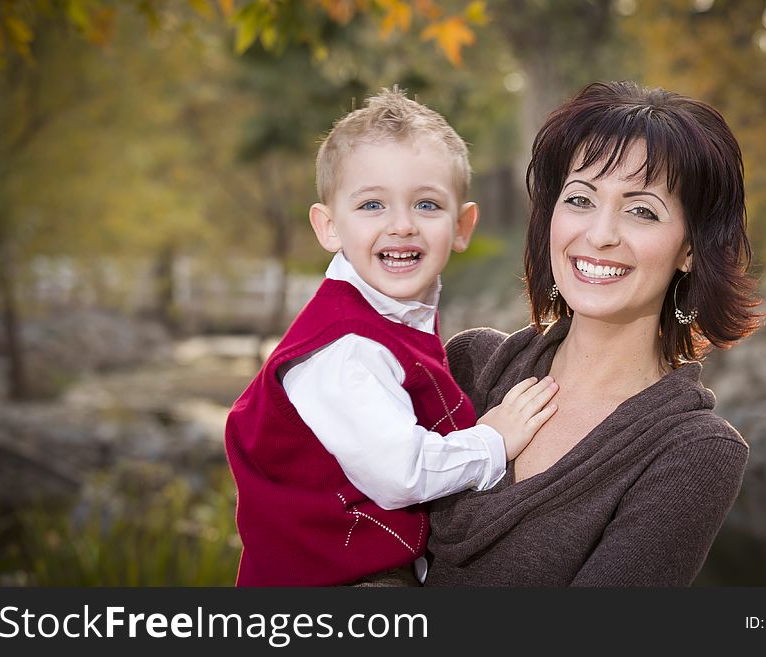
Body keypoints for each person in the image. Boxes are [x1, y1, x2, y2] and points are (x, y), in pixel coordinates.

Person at [426, 80, 764, 586]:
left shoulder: (693, 451)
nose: (601, 234)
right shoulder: (471, 365)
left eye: (641, 210)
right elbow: (353, 534)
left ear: (691, 251)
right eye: (581, 199)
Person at [225, 88, 558, 587]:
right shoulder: (347, 351)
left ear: (462, 225)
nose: (401, 225)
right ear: (329, 226)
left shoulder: (396, 318)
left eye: (426, 204)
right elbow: (400, 473)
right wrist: (493, 441)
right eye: (372, 205)